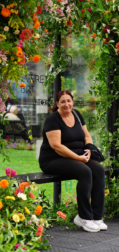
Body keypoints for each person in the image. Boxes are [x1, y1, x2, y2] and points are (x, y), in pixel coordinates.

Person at [39, 90, 107, 233]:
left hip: (77, 156)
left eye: (68, 101)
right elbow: (56, 146)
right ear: (57, 104)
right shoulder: (53, 119)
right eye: (62, 101)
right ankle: (84, 217)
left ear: (73, 102)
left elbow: (87, 135)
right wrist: (78, 158)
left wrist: (88, 148)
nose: (66, 104)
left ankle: (96, 216)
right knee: (84, 171)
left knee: (99, 170)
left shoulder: (76, 114)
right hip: (53, 159)